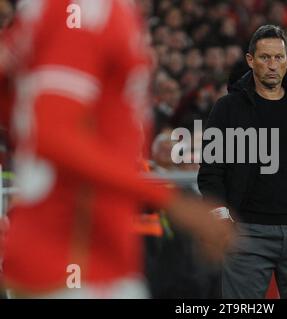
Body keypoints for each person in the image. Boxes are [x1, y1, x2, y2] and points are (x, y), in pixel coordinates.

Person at [0, 0, 233, 298]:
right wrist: (172, 201)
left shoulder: (53, 9)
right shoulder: (83, 11)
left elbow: (15, 99)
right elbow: (51, 133)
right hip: (73, 256)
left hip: (93, 250)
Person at [198, 25, 287, 299]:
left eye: (278, 57)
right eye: (264, 57)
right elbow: (210, 172)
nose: (272, 65)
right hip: (246, 234)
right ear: (250, 60)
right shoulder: (227, 108)